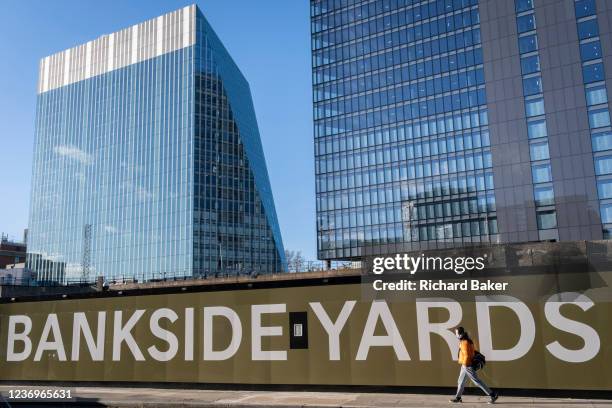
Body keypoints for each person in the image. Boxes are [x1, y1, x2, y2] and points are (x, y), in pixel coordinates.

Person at [450, 327, 498, 404]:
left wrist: (466, 364)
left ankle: (493, 395)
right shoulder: (465, 341)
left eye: (456, 333)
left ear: (460, 334)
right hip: (464, 365)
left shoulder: (465, 342)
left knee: (477, 381)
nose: (455, 335)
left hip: (467, 365)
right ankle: (458, 397)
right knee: (461, 381)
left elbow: (467, 355)